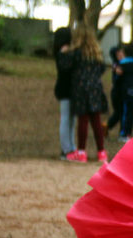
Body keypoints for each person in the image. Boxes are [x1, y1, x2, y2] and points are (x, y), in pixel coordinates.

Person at [59, 22, 108, 163]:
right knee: (96, 121)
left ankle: (82, 152)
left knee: (83, 121)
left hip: (80, 90)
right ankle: (101, 152)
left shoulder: (76, 53)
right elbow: (102, 69)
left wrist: (62, 53)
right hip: (95, 90)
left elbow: (65, 66)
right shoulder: (96, 54)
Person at [53, 27, 76, 160]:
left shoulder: (62, 53)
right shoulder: (62, 54)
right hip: (65, 90)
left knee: (71, 120)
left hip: (69, 90)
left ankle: (70, 146)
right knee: (66, 119)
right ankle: (66, 148)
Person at [105, 45, 124, 139]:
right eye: (120, 52)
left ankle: (106, 127)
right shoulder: (116, 65)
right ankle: (121, 132)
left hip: (120, 92)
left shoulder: (120, 63)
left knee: (119, 113)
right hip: (117, 93)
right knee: (120, 113)